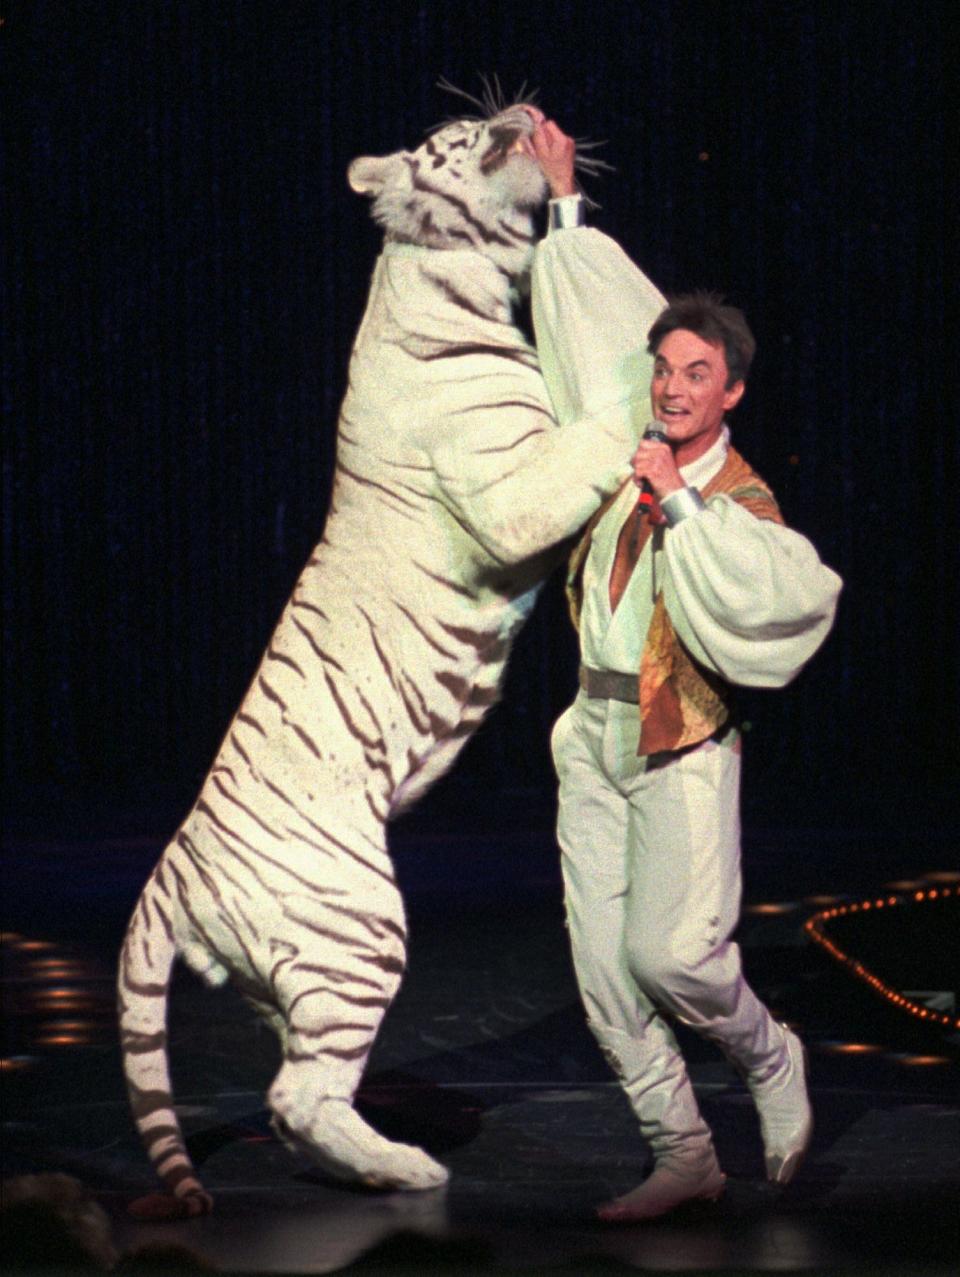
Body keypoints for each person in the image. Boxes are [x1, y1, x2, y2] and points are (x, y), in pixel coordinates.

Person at [528, 120, 843, 1222]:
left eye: (693, 374)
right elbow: (593, 326)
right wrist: (563, 206)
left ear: (731, 394)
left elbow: (786, 594)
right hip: (592, 736)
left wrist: (680, 499)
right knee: (605, 975)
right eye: (663, 368)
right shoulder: (635, 435)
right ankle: (683, 1150)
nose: (667, 385)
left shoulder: (739, 501)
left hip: (683, 749)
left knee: (676, 961)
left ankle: (769, 1053)